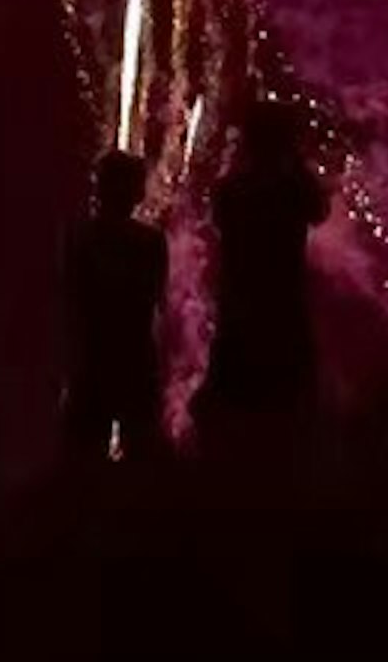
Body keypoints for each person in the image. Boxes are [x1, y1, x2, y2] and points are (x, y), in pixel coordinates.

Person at [197, 101, 329, 431]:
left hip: (240, 309)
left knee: (236, 409)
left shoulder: (232, 189)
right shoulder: (291, 189)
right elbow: (319, 210)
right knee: (286, 408)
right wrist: (297, 164)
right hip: (282, 309)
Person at [63, 149, 171, 464]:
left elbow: (71, 297)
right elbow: (155, 300)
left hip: (92, 359)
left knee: (83, 461)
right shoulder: (150, 242)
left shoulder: (79, 237)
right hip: (134, 359)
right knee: (139, 458)